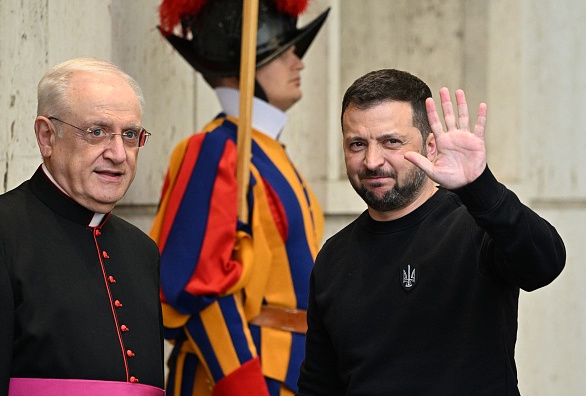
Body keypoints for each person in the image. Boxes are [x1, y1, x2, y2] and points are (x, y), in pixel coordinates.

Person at [297, 69, 566, 395]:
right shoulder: (333, 257)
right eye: (357, 144)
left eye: (390, 142)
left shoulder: (476, 226)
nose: (371, 160)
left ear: (430, 145)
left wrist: (480, 187)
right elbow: (318, 385)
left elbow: (545, 263)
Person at [149, 0, 329, 394]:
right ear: (242, 64)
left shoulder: (270, 153)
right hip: (240, 379)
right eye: (284, 53)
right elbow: (194, 285)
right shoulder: (217, 149)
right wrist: (242, 382)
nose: (298, 63)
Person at [0, 58, 164, 395]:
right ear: (47, 136)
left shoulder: (143, 250)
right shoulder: (0, 232)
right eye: (97, 131)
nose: (118, 153)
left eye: (129, 135)